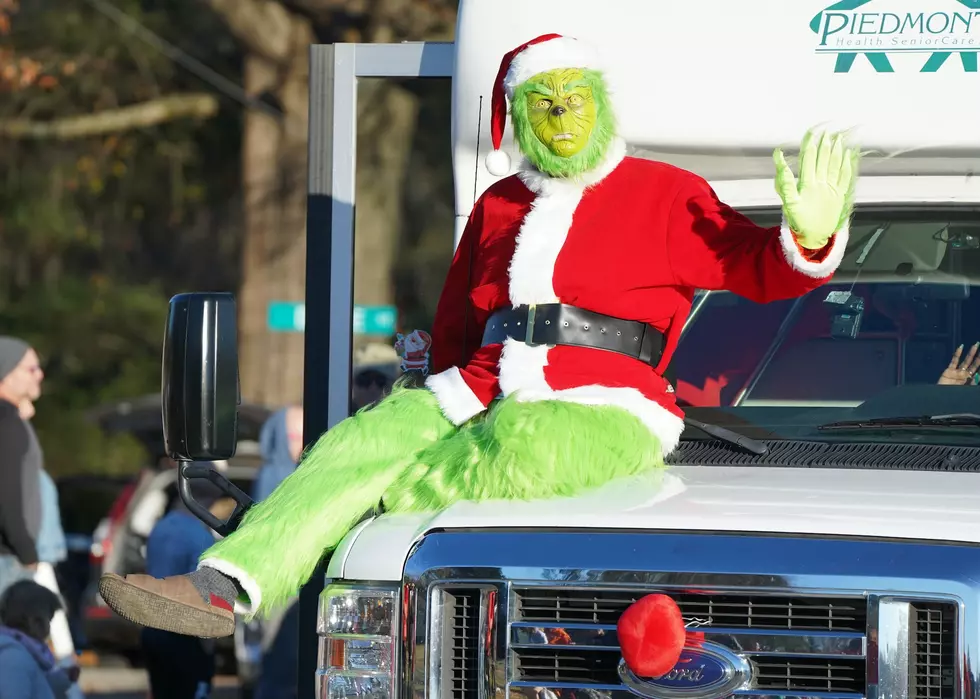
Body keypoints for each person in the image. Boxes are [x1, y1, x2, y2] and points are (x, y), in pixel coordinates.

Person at [100, 33, 859, 656]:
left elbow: (757, 269)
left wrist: (810, 237)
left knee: (503, 448)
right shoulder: (498, 204)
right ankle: (225, 587)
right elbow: (460, 319)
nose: (561, 114)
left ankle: (365, 524)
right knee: (355, 444)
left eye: (573, 98)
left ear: (599, 106)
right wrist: (420, 393)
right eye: (543, 103)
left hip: (606, 403)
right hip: (481, 382)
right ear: (518, 119)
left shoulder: (664, 192)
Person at [0, 337, 44, 597]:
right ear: (6, 372)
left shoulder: (10, 420)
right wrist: (27, 552)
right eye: (30, 368)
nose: (40, 374)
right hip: (8, 558)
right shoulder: (7, 424)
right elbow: (6, 496)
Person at [0, 579, 79, 699]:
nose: (49, 628)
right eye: (49, 619)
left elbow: (35, 687)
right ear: (36, 622)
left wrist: (60, 680)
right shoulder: (15, 657)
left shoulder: (22, 653)